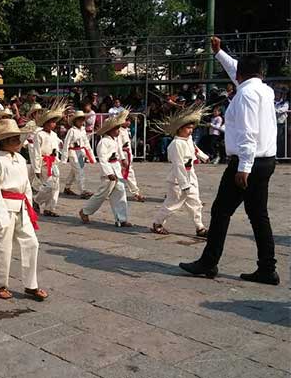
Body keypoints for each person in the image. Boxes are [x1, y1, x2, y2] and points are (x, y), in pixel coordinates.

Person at [180, 37, 279, 285]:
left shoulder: (245, 95)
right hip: (266, 161)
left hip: (248, 162)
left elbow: (248, 133)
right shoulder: (265, 90)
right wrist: (219, 53)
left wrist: (244, 166)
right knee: (258, 215)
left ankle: (209, 262)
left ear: (242, 75)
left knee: (221, 210)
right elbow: (238, 70)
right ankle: (267, 268)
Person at [0, 119, 47, 302]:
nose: (17, 142)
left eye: (17, 138)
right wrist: (1, 217)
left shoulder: (20, 159)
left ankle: (31, 284)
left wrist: (29, 206)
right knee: (3, 247)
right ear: (2, 141)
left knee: (32, 243)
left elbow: (26, 186)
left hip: (21, 207)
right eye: (12, 139)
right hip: (3, 207)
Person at [151, 106, 209, 237]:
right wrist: (184, 185)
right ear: (180, 129)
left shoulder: (188, 140)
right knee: (173, 204)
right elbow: (178, 166)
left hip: (191, 176)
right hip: (178, 180)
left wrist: (204, 156)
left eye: (192, 128)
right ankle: (157, 223)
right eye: (188, 128)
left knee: (195, 203)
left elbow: (195, 149)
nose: (190, 131)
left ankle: (200, 227)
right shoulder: (176, 144)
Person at [79, 111, 131, 227]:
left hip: (116, 168)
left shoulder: (114, 140)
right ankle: (85, 211)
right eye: (116, 129)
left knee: (120, 192)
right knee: (101, 194)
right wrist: (108, 173)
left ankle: (121, 219)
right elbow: (103, 159)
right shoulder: (103, 142)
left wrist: (123, 159)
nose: (118, 131)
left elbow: (118, 152)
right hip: (109, 171)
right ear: (109, 130)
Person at [32, 101, 66, 217]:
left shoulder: (54, 135)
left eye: (54, 122)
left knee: (56, 186)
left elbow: (58, 145)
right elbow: (36, 152)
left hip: (53, 161)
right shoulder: (39, 135)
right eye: (51, 122)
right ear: (46, 123)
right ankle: (36, 200)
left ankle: (50, 207)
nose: (54, 124)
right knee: (49, 185)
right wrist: (36, 168)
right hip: (44, 162)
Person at [62, 111, 95, 199]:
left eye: (82, 120)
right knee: (79, 171)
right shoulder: (71, 131)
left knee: (74, 171)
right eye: (79, 120)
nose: (81, 122)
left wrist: (91, 156)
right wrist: (64, 158)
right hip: (73, 152)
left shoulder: (83, 130)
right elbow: (66, 143)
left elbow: (86, 143)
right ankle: (83, 190)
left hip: (81, 153)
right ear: (75, 121)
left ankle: (67, 187)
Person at [118, 114, 145, 202]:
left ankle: (135, 192)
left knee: (129, 173)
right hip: (122, 155)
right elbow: (118, 146)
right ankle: (135, 193)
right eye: (126, 120)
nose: (128, 122)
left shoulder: (127, 130)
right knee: (119, 174)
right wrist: (122, 158)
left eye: (129, 120)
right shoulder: (118, 131)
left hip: (128, 154)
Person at [274, 87, 289, 158]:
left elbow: (282, 110)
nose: (277, 95)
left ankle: (280, 156)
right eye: (276, 93)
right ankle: (274, 156)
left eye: (278, 93)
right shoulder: (271, 101)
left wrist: (274, 110)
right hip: (272, 124)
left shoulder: (285, 103)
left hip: (281, 123)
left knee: (280, 140)